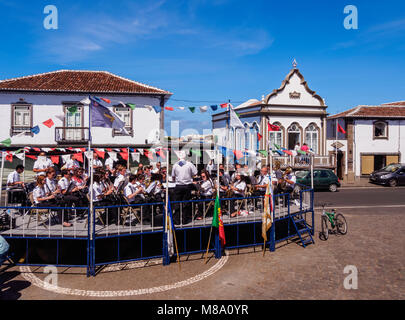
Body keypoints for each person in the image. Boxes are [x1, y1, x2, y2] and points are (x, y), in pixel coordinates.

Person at [171, 151, 198, 224]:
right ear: (185, 157)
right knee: (185, 203)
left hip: (178, 186)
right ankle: (184, 220)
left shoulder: (175, 165)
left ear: (178, 157)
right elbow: (195, 174)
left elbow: (173, 177)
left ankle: (176, 220)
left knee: (177, 203)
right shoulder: (190, 164)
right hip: (187, 186)